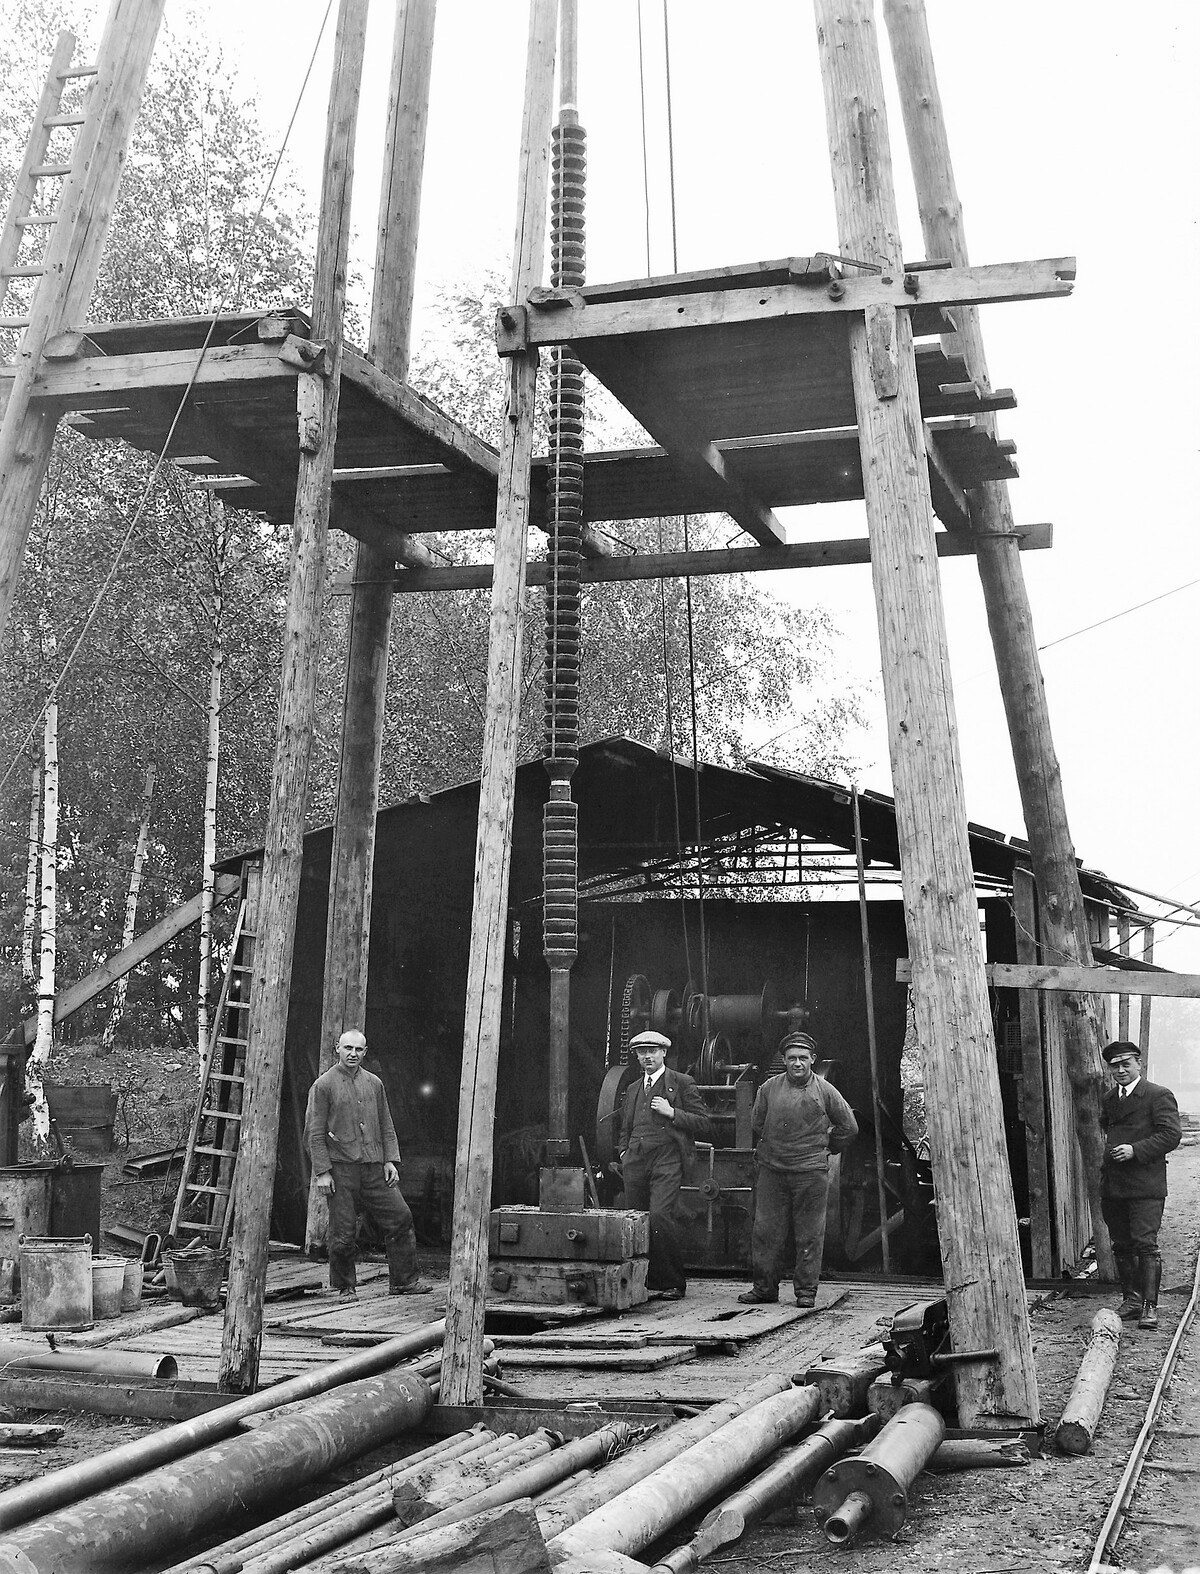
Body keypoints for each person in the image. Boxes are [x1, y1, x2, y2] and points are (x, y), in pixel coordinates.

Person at [304, 1028, 431, 1299]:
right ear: (337, 1048)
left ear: (365, 1052)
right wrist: (323, 1172)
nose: (353, 1054)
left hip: (374, 1167)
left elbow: (386, 1123)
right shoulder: (323, 1085)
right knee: (343, 1230)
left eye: (358, 1049)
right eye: (348, 1048)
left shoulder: (374, 1083)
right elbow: (314, 1133)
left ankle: (404, 1282)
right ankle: (344, 1286)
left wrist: (390, 1160)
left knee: (400, 1217)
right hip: (341, 1169)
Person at [738, 1031, 858, 1308]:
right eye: (792, 1058)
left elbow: (849, 1127)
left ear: (813, 1059)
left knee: (809, 1234)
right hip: (773, 1171)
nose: (797, 1063)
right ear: (784, 1060)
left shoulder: (825, 1090)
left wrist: (824, 1148)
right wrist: (778, 1147)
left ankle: (806, 1292)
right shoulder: (768, 1088)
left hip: (810, 1173)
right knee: (766, 1232)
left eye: (803, 1058)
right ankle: (764, 1289)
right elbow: (757, 1123)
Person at [618, 1029, 713, 1300]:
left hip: (667, 1158)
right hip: (636, 1160)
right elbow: (625, 1127)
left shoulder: (681, 1082)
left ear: (664, 1053)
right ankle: (642, 1281)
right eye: (642, 1052)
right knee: (636, 1218)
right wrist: (624, 1152)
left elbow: (704, 1122)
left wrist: (672, 1113)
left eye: (652, 1051)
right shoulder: (633, 1088)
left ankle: (672, 1282)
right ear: (637, 1056)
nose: (647, 1057)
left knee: (660, 1216)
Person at [1100, 1038, 1182, 1330]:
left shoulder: (1158, 1095)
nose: (1120, 1070)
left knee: (1146, 1244)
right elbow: (1106, 1128)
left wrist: (1135, 1150)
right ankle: (1132, 1300)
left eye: (1126, 1064)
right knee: (1122, 1245)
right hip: (1115, 1184)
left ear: (1139, 1064)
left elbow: (1171, 1135)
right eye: (1115, 1066)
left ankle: (1149, 1306)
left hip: (1146, 1184)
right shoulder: (1110, 1099)